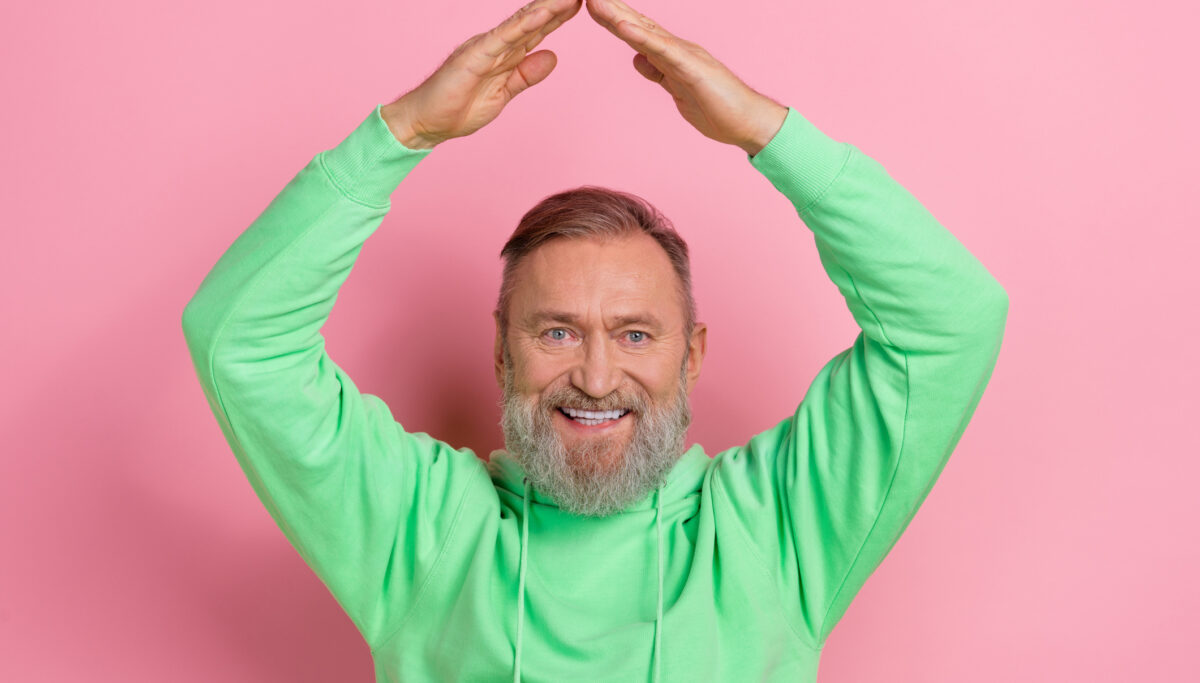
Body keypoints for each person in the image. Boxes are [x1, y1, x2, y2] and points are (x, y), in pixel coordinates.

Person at [181, 0, 1009, 680]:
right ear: (503, 355)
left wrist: (766, 131)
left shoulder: (776, 530)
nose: (598, 375)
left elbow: (951, 321)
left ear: (691, 357)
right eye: (557, 332)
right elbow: (238, 343)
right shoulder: (420, 529)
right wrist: (403, 133)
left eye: (636, 333)